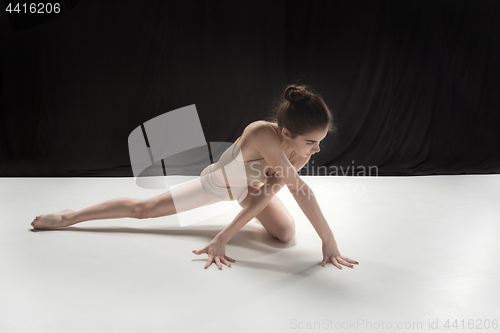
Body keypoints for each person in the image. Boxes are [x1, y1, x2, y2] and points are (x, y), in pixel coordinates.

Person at [31, 84, 359, 271]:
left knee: (286, 234)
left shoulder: (299, 153)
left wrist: (224, 236)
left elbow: (267, 194)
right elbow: (300, 191)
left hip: (249, 187)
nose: (317, 150)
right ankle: (70, 217)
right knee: (143, 210)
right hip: (217, 184)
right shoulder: (261, 133)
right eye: (311, 142)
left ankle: (236, 223)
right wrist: (326, 239)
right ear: (286, 132)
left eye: (321, 140)